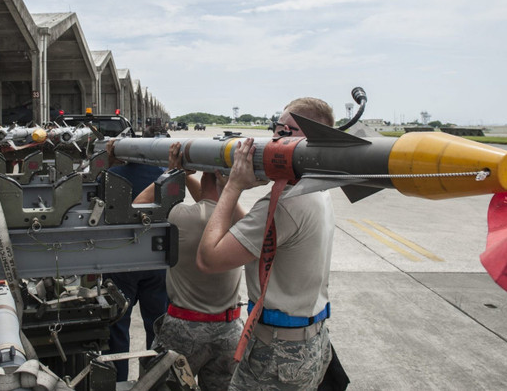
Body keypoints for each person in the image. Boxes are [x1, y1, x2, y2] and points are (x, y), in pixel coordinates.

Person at [198, 97, 336, 390]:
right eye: (277, 128)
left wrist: (234, 186)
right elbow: (268, 234)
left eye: (288, 131)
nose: (276, 138)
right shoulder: (316, 188)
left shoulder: (289, 203)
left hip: (277, 355)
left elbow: (209, 259)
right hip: (308, 342)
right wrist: (226, 187)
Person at [134, 142, 245, 390]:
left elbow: (139, 205)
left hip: (184, 328)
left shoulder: (181, 216)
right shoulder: (242, 221)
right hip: (230, 329)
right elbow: (213, 202)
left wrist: (172, 175)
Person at [103, 139, 168, 381]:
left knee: (117, 325)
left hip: (120, 259)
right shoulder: (164, 174)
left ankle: (117, 380)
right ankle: (153, 379)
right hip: (157, 258)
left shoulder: (112, 174)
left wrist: (110, 162)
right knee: (157, 325)